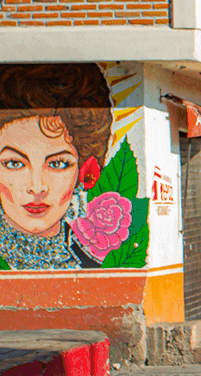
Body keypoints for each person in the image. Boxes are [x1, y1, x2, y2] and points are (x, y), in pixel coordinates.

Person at [0, 64, 115, 270]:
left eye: (58, 164)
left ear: (82, 172)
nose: (36, 188)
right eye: (15, 163)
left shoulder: (95, 266)